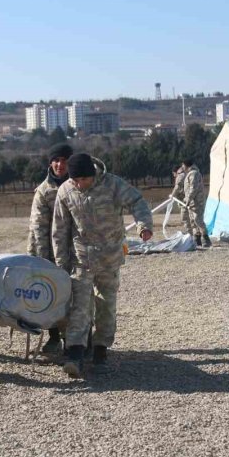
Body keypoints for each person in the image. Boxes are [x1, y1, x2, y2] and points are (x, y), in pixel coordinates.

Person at [52, 153, 153, 378]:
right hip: (82, 258)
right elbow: (59, 230)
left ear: (93, 174)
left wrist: (144, 225)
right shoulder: (65, 191)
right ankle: (75, 353)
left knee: (106, 304)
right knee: (79, 306)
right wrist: (61, 263)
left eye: (84, 180)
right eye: (76, 180)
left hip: (109, 256)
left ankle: (100, 349)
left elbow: (137, 200)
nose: (80, 184)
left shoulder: (112, 184)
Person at [26, 142, 73, 354]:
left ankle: (80, 340)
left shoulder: (79, 185)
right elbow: (37, 228)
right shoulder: (44, 191)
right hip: (50, 253)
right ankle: (54, 337)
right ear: (50, 163)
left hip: (76, 252)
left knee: (78, 298)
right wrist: (42, 261)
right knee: (52, 297)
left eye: (64, 160)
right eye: (56, 160)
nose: (60, 164)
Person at [182, 158, 211, 247]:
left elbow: (193, 188)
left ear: (186, 165)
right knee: (193, 221)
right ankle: (197, 240)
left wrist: (189, 199)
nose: (182, 167)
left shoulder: (194, 174)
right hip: (191, 203)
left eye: (183, 165)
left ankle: (206, 239)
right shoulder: (190, 174)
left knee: (198, 220)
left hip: (196, 202)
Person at [170, 164, 190, 236]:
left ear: (175, 172)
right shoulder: (187, 174)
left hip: (185, 201)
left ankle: (191, 235)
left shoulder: (181, 176)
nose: (174, 176)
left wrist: (172, 195)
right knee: (190, 218)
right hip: (189, 200)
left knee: (184, 218)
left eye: (173, 174)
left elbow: (177, 187)